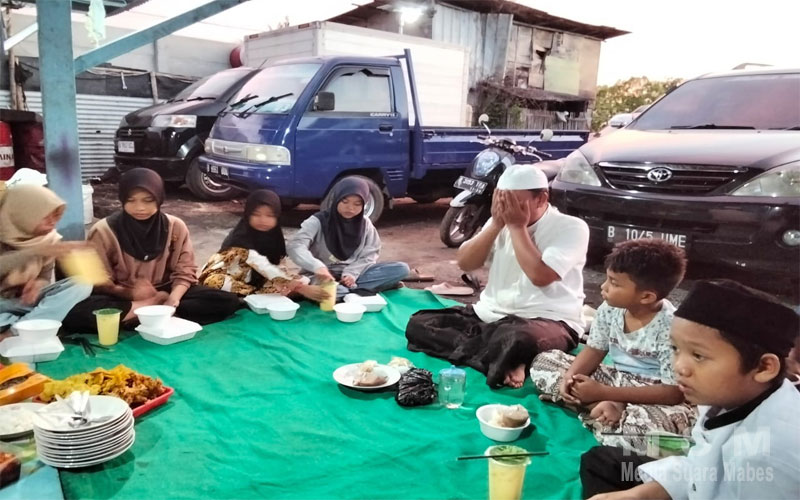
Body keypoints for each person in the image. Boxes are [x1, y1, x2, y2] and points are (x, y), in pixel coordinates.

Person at [580, 280, 800, 500]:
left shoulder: (768, 455)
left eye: (698, 356)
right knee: (603, 463)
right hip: (703, 482)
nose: (679, 367)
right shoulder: (728, 397)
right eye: (675, 349)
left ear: (764, 367)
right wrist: (637, 495)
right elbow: (701, 467)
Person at [406, 164, 590, 388]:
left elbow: (540, 276)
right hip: (490, 316)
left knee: (518, 339)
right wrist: (495, 223)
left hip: (547, 320)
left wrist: (517, 227)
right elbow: (466, 262)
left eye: (514, 203)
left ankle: (505, 353)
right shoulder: (500, 221)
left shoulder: (571, 227)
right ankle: (504, 358)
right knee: (419, 324)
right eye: (502, 202)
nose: (507, 209)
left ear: (542, 198)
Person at [530, 239, 695, 452]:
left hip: (655, 395)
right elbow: (594, 350)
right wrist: (569, 378)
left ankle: (596, 408)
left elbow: (673, 393)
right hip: (615, 380)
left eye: (614, 283)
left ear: (646, 296)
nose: (603, 287)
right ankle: (603, 411)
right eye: (607, 278)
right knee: (544, 362)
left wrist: (604, 392)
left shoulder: (672, 328)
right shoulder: (610, 309)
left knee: (643, 437)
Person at [63, 168, 240, 331]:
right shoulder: (104, 230)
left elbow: (185, 271)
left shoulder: (175, 226)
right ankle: (152, 311)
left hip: (166, 292)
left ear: (159, 198)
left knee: (226, 301)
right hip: (122, 297)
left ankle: (146, 316)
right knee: (75, 313)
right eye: (131, 200)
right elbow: (99, 281)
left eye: (148, 200)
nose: (140, 208)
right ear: (122, 199)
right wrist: (130, 293)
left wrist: (173, 299)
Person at [287, 177, 409, 300]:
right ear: (336, 199)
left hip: (355, 274)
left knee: (401, 269)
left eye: (357, 204)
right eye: (345, 202)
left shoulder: (365, 224)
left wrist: (351, 274)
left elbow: (370, 254)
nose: (350, 208)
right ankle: (360, 289)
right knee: (335, 291)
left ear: (364, 204)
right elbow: (296, 246)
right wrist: (317, 267)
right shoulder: (317, 221)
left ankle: (347, 291)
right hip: (322, 275)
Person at [199, 190, 328, 302]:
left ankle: (255, 296)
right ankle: (256, 295)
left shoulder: (274, 237)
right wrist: (298, 287)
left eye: (270, 215)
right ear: (248, 214)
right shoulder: (240, 238)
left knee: (303, 280)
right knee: (215, 282)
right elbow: (261, 265)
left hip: (257, 279)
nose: (263, 220)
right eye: (256, 214)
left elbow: (278, 265)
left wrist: (293, 283)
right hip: (232, 277)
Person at [0, 185, 92, 338]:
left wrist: (38, 285)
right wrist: (36, 252)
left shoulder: (48, 239)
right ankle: (34, 322)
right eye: (45, 217)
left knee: (83, 283)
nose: (52, 223)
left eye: (56, 217)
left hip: (21, 303)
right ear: (24, 215)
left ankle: (14, 330)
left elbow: (44, 277)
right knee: (65, 312)